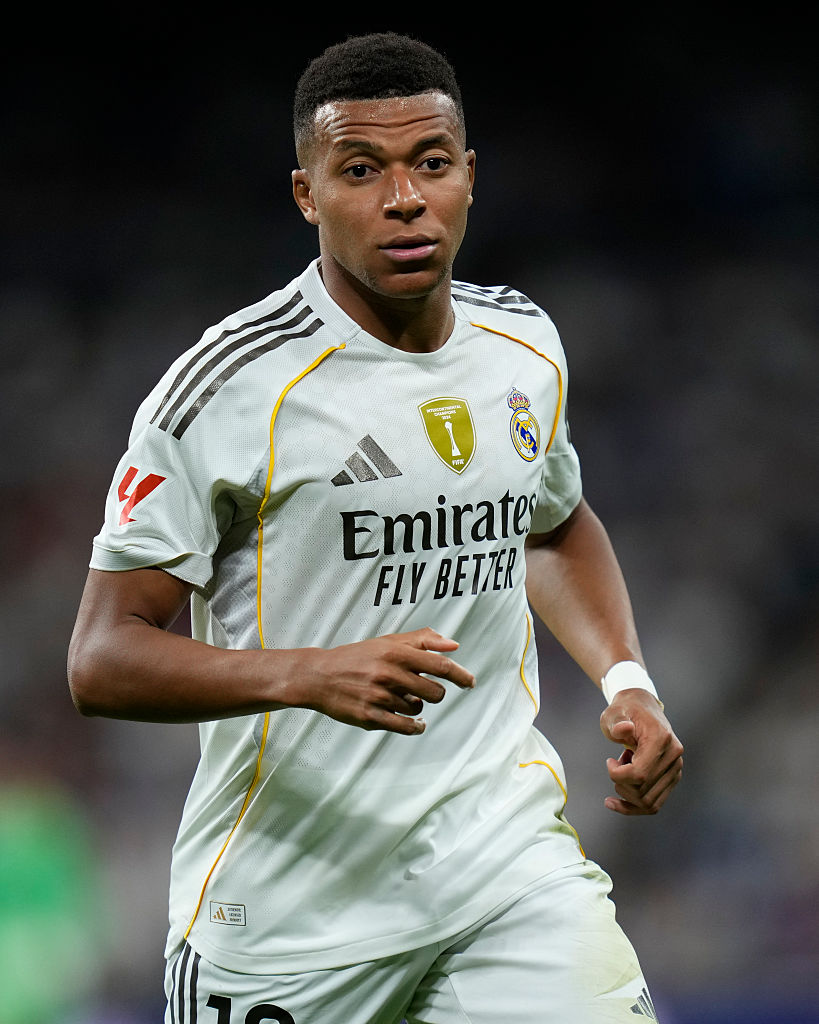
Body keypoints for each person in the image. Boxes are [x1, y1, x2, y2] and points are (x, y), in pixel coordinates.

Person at [68, 31, 683, 1024]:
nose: (404, 198)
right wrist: (309, 673)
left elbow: (550, 526)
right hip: (289, 911)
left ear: (468, 175)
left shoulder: (522, 344)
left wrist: (626, 680)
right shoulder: (229, 387)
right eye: (360, 170)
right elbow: (101, 660)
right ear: (306, 194)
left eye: (430, 164)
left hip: (504, 872)